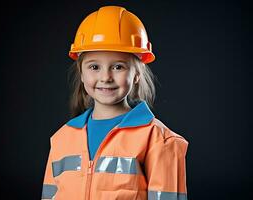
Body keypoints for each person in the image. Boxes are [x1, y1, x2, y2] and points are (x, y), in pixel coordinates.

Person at [41, 5, 188, 200]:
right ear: (82, 74)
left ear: (136, 75)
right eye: (94, 66)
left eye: (118, 67)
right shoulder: (61, 139)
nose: (105, 77)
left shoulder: (160, 141)